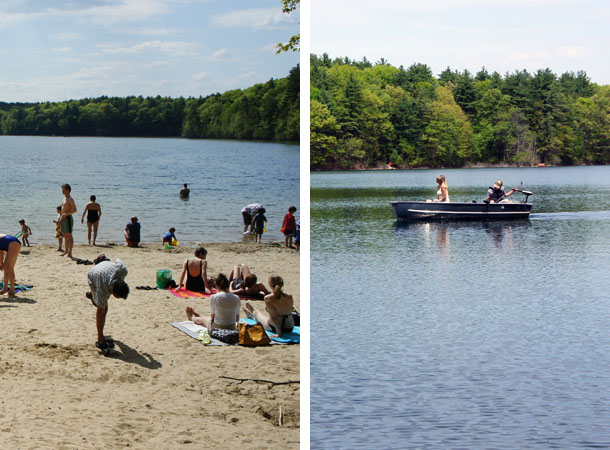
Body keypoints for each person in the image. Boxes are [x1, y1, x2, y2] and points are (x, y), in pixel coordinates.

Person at [86, 259, 129, 354]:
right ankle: (93, 298)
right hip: (93, 276)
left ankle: (94, 298)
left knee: (104, 305)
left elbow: (118, 260)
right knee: (101, 307)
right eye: (117, 297)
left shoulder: (123, 270)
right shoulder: (103, 290)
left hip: (104, 265)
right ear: (112, 291)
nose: (117, 299)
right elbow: (100, 314)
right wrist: (101, 338)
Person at [60, 183, 77, 257]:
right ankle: (66, 251)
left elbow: (75, 210)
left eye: (63, 189)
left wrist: (66, 214)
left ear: (68, 190)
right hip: (63, 219)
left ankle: (70, 253)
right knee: (65, 236)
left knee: (69, 236)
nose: (62, 191)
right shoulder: (64, 199)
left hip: (68, 218)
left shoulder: (70, 199)